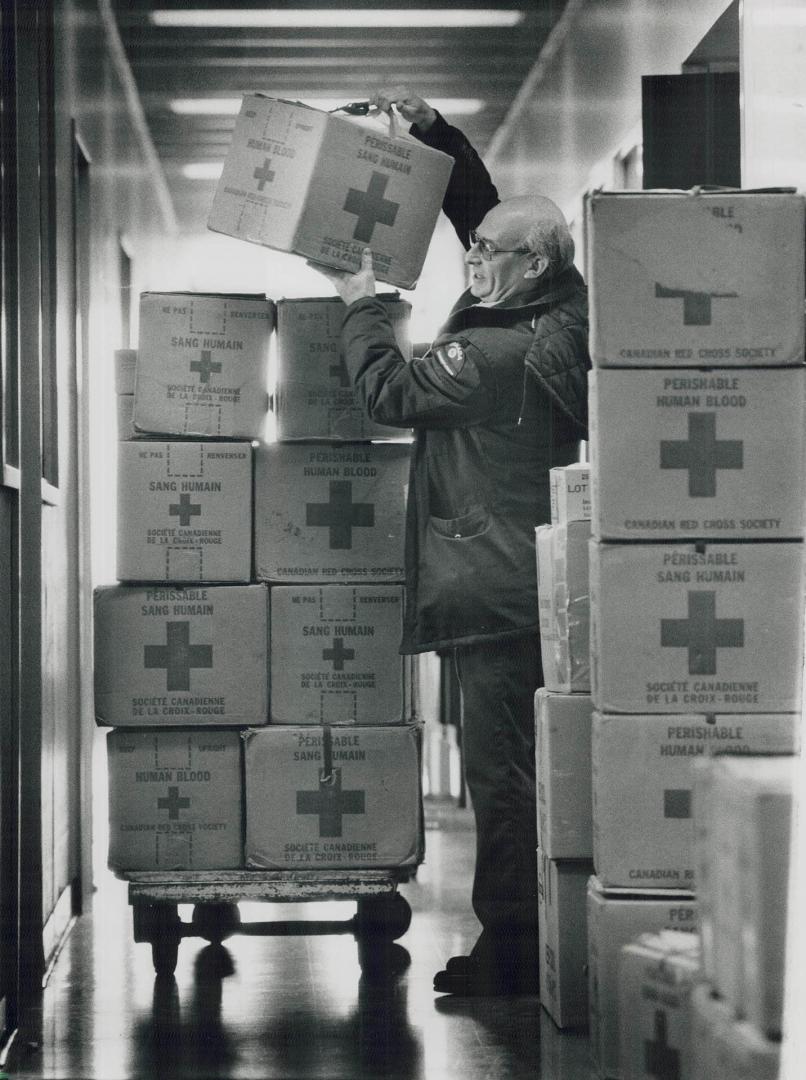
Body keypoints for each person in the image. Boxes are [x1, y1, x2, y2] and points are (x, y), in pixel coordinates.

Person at [312, 86, 590, 996]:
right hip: (530, 578)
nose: (472, 261)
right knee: (523, 764)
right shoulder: (564, 313)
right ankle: (532, 932)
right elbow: (497, 226)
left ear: (536, 267)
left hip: (493, 585)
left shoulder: (497, 360)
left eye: (490, 256)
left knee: (501, 773)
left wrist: (361, 301)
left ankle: (512, 947)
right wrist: (438, 138)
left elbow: (390, 394)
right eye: (473, 250)